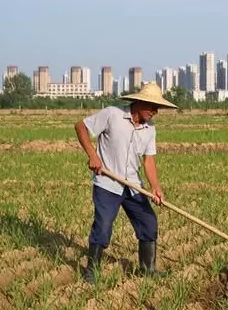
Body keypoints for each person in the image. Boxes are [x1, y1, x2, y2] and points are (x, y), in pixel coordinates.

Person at [74, 82, 178, 283]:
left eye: (158, 108)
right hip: (107, 183)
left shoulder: (150, 129)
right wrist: (93, 156)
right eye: (152, 106)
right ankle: (91, 272)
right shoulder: (112, 115)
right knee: (103, 226)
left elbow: (149, 161)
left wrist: (156, 188)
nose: (155, 111)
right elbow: (81, 127)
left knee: (149, 222)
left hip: (133, 185)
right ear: (138, 102)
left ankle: (147, 269)